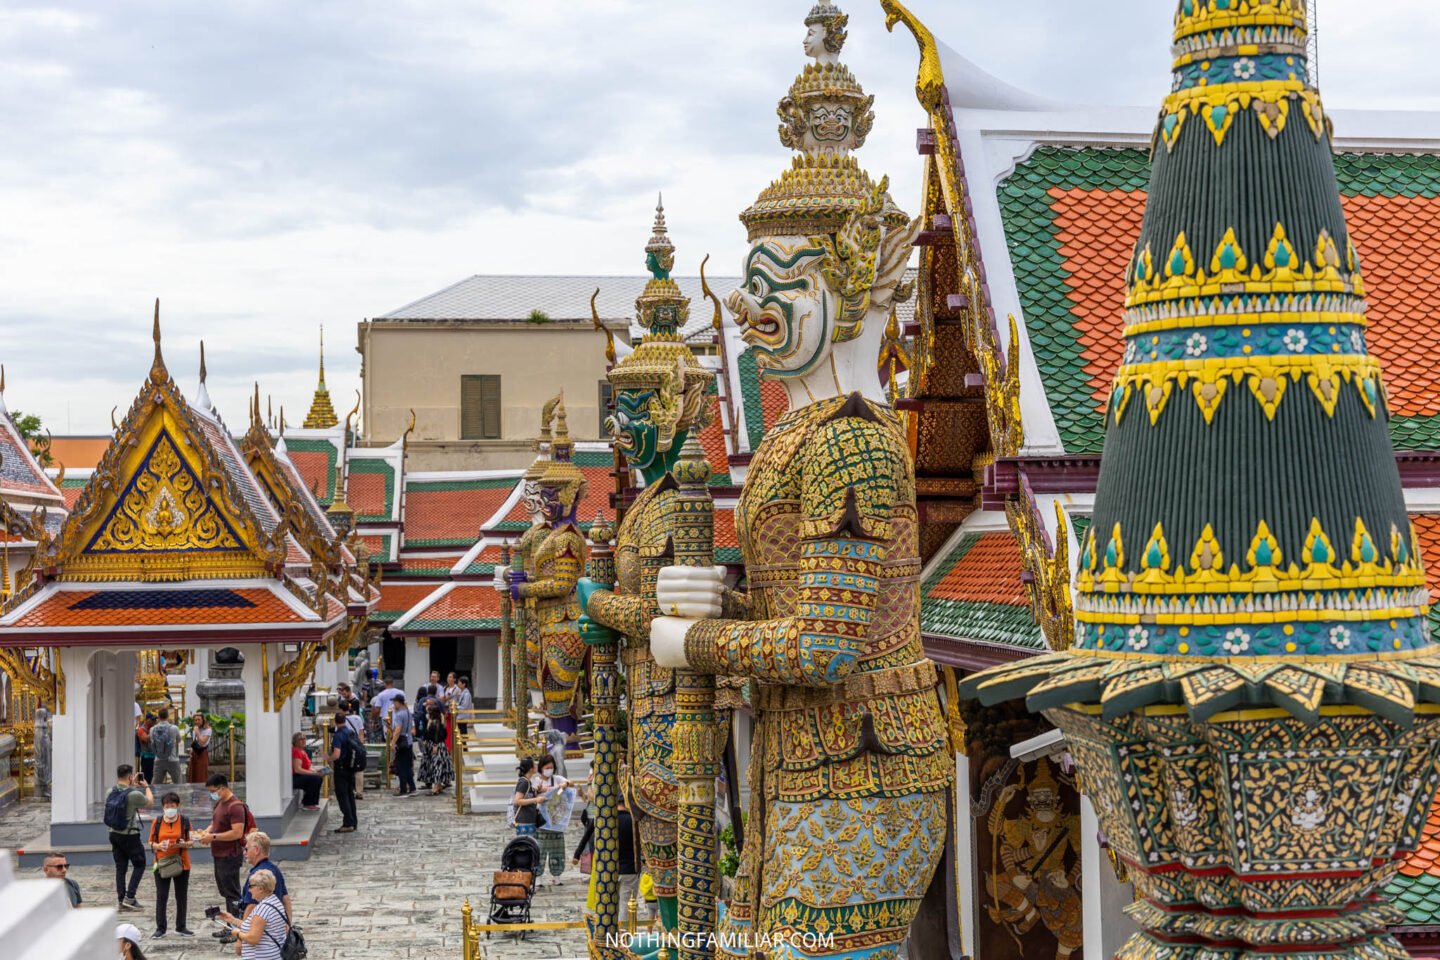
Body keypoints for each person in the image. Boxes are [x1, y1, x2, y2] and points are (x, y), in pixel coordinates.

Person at [194, 773, 249, 917]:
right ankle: (230, 924)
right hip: (218, 854)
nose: (212, 794)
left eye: (213, 791)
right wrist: (205, 832)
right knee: (225, 891)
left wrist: (212, 837)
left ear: (223, 788)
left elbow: (237, 833)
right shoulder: (220, 803)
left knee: (232, 893)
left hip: (229, 855)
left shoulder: (235, 806)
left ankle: (236, 925)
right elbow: (215, 823)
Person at [148, 791, 195, 938]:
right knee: (161, 896)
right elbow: (150, 842)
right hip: (161, 863)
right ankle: (160, 928)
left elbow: (191, 841)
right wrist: (158, 846)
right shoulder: (157, 821)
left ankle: (181, 926)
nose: (170, 808)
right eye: (167, 805)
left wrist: (184, 843)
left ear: (178, 805)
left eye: (172, 805)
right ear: (163, 806)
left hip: (181, 863)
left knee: (181, 896)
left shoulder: (185, 821)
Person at [107, 763, 152, 911]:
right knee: (140, 864)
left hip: (113, 833)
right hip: (129, 835)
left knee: (121, 868)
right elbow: (149, 802)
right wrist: (146, 787)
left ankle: (121, 900)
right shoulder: (134, 794)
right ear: (130, 777)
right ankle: (130, 897)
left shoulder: (110, 792)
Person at [217, 869, 288, 960]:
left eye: (250, 886)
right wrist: (233, 920)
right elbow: (256, 926)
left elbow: (253, 939)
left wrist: (237, 933)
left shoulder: (262, 909)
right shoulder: (275, 902)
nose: (249, 890)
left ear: (261, 889)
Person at [532, 754, 572, 885]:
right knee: (541, 847)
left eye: (551, 767)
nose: (549, 769)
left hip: (556, 819)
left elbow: (570, 783)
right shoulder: (536, 781)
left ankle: (557, 874)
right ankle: (538, 875)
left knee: (557, 848)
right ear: (541, 768)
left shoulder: (557, 779)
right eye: (547, 767)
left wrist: (564, 785)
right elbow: (534, 792)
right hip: (542, 820)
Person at [239, 832, 291, 924]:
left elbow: (251, 905)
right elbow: (285, 898)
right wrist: (288, 924)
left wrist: (243, 933)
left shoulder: (257, 875)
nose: (244, 852)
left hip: (261, 927)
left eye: (246, 849)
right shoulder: (275, 870)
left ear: (256, 850)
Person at [329, 712, 359, 833]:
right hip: (350, 768)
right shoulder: (350, 732)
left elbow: (336, 754)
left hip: (341, 768)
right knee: (350, 795)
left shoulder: (338, 735)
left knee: (342, 796)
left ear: (335, 722)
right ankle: (353, 820)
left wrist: (328, 758)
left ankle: (348, 822)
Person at [419, 701, 453, 796]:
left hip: (436, 746)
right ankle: (438, 786)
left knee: (436, 766)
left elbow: (436, 735)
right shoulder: (440, 721)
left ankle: (435, 787)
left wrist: (434, 745)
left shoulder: (435, 723)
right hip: (439, 746)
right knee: (437, 766)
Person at [390, 694, 416, 796]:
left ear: (398, 702)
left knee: (401, 766)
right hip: (408, 740)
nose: (393, 704)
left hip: (401, 742)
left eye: (394, 702)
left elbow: (398, 730)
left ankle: (403, 788)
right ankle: (412, 786)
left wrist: (392, 743)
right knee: (407, 766)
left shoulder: (399, 714)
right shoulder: (408, 713)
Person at [339, 701, 366, 801]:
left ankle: (349, 789)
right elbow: (361, 732)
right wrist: (361, 744)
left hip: (345, 746)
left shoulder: (341, 719)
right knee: (358, 768)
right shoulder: (357, 718)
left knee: (347, 767)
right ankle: (359, 791)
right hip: (357, 745)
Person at [290, 733, 324, 810]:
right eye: (300, 739)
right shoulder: (296, 751)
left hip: (301, 776)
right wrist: (314, 773)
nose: (303, 741)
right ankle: (308, 803)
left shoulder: (302, 751)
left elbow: (307, 767)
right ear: (295, 741)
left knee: (318, 777)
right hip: (295, 777)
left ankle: (309, 800)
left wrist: (317, 771)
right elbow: (297, 769)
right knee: (315, 779)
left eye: (304, 739)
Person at [149, 708, 183, 786]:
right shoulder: (174, 728)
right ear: (168, 716)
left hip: (158, 759)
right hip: (172, 759)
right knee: (178, 783)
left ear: (158, 717)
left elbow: (152, 742)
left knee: (155, 785)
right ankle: (178, 798)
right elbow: (179, 740)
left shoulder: (152, 729)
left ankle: (152, 797)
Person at [511, 757, 542, 835]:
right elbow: (518, 800)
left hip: (529, 820)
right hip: (524, 821)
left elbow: (527, 797)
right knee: (525, 845)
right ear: (530, 768)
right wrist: (535, 800)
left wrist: (537, 791)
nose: (536, 766)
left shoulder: (528, 781)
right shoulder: (524, 782)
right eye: (534, 764)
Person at [187, 713, 211, 784]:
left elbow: (202, 742)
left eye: (199, 720)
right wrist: (191, 749)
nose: (197, 722)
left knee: (201, 775)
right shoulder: (195, 729)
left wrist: (197, 732)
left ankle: (202, 793)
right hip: (194, 754)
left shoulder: (208, 730)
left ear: (203, 720)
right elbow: (196, 742)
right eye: (195, 720)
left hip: (202, 753)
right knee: (193, 776)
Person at [136, 715, 156, 785]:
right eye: (152, 720)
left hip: (154, 757)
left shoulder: (152, 728)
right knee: (146, 777)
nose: (154, 722)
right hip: (146, 757)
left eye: (154, 720)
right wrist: (155, 732)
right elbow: (146, 739)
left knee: (152, 777)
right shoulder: (141, 729)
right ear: (147, 720)